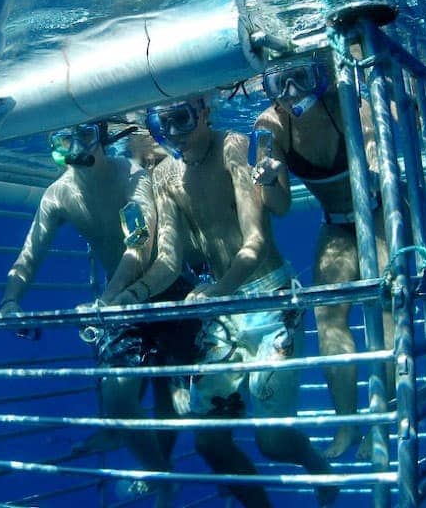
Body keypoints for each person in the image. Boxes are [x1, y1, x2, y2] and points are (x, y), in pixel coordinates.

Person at [129, 96, 336, 508]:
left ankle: (316, 464)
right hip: (223, 311)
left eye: (182, 119)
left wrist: (217, 290)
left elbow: (255, 241)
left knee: (273, 441)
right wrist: (127, 296)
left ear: (205, 110)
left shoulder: (233, 146)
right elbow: (168, 259)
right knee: (208, 441)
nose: (174, 134)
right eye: (161, 125)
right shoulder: (165, 175)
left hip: (271, 299)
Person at [0, 121, 195, 507]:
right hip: (116, 302)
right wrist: (10, 300)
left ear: (102, 137)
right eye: (62, 138)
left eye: (84, 135)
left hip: (163, 288)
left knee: (168, 398)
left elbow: (139, 243)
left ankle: (160, 468)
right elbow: (30, 252)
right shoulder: (57, 195)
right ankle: (164, 479)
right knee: (120, 400)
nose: (74, 147)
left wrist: (106, 301)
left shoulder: (131, 177)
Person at [251, 54, 393, 459]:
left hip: (381, 213)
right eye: (280, 82)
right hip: (334, 223)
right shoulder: (270, 125)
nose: (291, 91)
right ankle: (347, 427)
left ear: (323, 76)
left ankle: (382, 420)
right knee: (328, 318)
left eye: (301, 77)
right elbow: (278, 206)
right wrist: (269, 178)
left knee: (384, 308)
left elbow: (375, 159)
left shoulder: (347, 102)